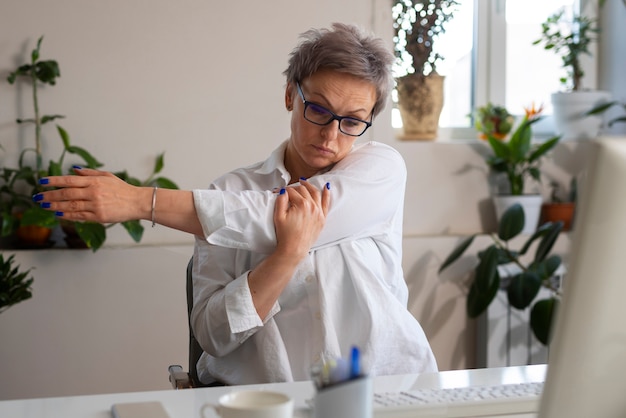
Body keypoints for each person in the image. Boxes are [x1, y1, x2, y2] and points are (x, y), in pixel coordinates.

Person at [35, 22, 438, 385]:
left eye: (352, 121)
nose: (331, 135)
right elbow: (213, 337)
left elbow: (274, 216)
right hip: (265, 404)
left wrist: (141, 201)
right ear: (289, 96)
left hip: (390, 392)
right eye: (318, 109)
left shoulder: (381, 170)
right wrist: (286, 256)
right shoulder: (230, 190)